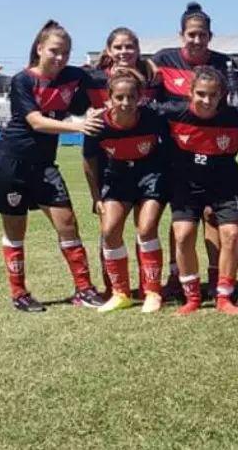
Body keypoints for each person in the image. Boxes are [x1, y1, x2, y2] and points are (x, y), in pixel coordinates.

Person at [0, 20, 105, 312]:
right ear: (40, 49)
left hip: (44, 165)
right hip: (11, 162)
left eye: (66, 52)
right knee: (16, 231)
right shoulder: (22, 81)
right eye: (54, 50)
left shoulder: (74, 77)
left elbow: (101, 83)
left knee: (67, 223)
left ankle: (84, 290)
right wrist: (78, 127)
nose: (60, 57)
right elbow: (36, 122)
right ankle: (19, 294)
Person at [151, 3, 238, 300]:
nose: (197, 40)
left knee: (213, 216)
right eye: (191, 34)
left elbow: (235, 106)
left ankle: (216, 279)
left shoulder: (223, 63)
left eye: (202, 35)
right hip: (177, 149)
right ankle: (177, 277)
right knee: (181, 222)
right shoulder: (163, 59)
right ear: (181, 35)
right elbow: (150, 102)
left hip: (214, 145)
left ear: (210, 36)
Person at [153, 66, 238, 316]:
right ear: (190, 92)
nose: (207, 100)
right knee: (183, 236)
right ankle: (192, 297)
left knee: (230, 234)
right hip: (186, 184)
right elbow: (138, 113)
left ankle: (224, 296)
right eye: (201, 94)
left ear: (222, 95)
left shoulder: (237, 118)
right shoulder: (171, 114)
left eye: (213, 95)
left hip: (225, 184)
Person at [82, 68, 169, 313]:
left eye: (131, 97)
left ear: (140, 97)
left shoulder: (153, 118)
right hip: (117, 178)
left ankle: (152, 291)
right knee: (109, 231)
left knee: (147, 228)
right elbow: (89, 162)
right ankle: (121, 293)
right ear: (109, 98)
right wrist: (96, 196)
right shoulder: (98, 124)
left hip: (150, 176)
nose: (126, 102)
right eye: (119, 97)